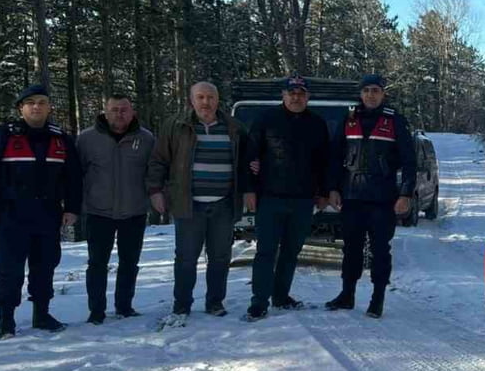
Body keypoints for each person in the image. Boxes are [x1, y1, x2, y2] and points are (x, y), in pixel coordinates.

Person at [0, 84, 82, 338]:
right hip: (12, 213)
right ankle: (6, 320)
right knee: (9, 269)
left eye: (42, 102)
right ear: (20, 108)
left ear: (49, 107)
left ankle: (42, 315)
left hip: (48, 213)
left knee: (45, 266)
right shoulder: (2, 135)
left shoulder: (60, 138)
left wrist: (73, 208)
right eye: (30, 102)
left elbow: (74, 178)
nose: (36, 107)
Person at [146, 81, 253, 323]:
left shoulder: (234, 127)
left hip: (223, 204)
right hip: (188, 204)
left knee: (220, 257)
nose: (206, 102)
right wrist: (155, 191)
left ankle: (215, 302)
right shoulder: (176, 126)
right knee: (185, 258)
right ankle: (182, 304)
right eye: (201, 97)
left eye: (210, 97)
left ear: (218, 100)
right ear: (191, 100)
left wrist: (248, 190)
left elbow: (247, 163)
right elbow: (159, 160)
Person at [325, 73, 416, 318]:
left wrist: (406, 193)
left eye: (375, 90)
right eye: (366, 91)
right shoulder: (349, 117)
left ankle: (377, 299)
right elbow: (334, 157)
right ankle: (347, 294)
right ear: (361, 93)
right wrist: (332, 188)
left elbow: (409, 161)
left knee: (379, 249)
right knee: (351, 249)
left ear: (383, 93)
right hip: (352, 196)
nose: (370, 95)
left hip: (382, 198)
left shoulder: (394, 120)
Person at [244, 75, 330, 321]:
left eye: (301, 93)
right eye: (291, 92)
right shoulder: (266, 119)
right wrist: (249, 190)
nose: (296, 97)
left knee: (291, 252)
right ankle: (259, 302)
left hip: (303, 200)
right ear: (283, 95)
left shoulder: (317, 124)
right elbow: (250, 156)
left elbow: (325, 162)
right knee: (266, 252)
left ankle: (281, 296)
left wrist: (323, 192)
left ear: (307, 96)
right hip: (270, 198)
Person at [76, 94, 155, 324]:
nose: (119, 114)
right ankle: (96, 311)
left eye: (124, 110)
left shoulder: (146, 139)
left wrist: (157, 197)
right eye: (114, 110)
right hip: (98, 211)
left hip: (134, 210)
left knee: (129, 262)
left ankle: (124, 306)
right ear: (105, 111)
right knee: (97, 263)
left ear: (132, 113)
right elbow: (75, 174)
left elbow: (154, 172)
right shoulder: (87, 139)